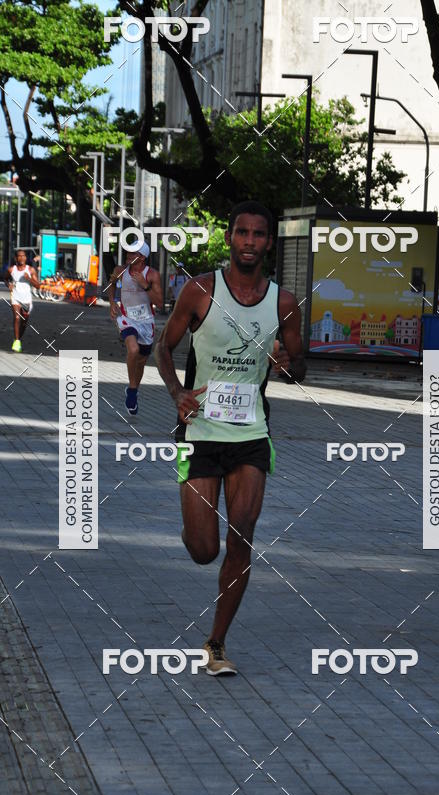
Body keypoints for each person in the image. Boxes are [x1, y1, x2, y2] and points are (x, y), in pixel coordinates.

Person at [156, 200, 306, 676]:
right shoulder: (200, 291)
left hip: (251, 432)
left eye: (258, 234)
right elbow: (164, 347)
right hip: (200, 430)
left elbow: (299, 366)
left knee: (242, 534)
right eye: (242, 232)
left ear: (269, 243)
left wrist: (287, 365)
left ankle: (216, 643)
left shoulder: (283, 303)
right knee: (205, 550)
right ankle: (193, 527)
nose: (249, 241)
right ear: (229, 238)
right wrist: (177, 392)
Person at [108, 241, 163, 415]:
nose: (128, 255)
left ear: (142, 257)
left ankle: (134, 389)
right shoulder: (120, 270)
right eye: (128, 252)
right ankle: (132, 391)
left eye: (133, 253)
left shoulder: (152, 275)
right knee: (133, 350)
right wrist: (112, 302)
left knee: (141, 361)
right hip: (127, 318)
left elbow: (160, 303)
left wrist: (144, 285)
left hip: (146, 322)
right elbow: (111, 283)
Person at [4, 249, 40, 352]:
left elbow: (38, 286)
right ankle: (16, 341)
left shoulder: (31, 270)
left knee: (24, 323)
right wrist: (9, 284)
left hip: (26, 299)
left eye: (23, 256)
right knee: (17, 317)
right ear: (16, 258)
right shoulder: (11, 270)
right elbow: (5, 279)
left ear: (26, 258)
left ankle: (18, 339)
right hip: (15, 297)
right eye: (19, 256)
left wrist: (29, 278)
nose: (21, 258)